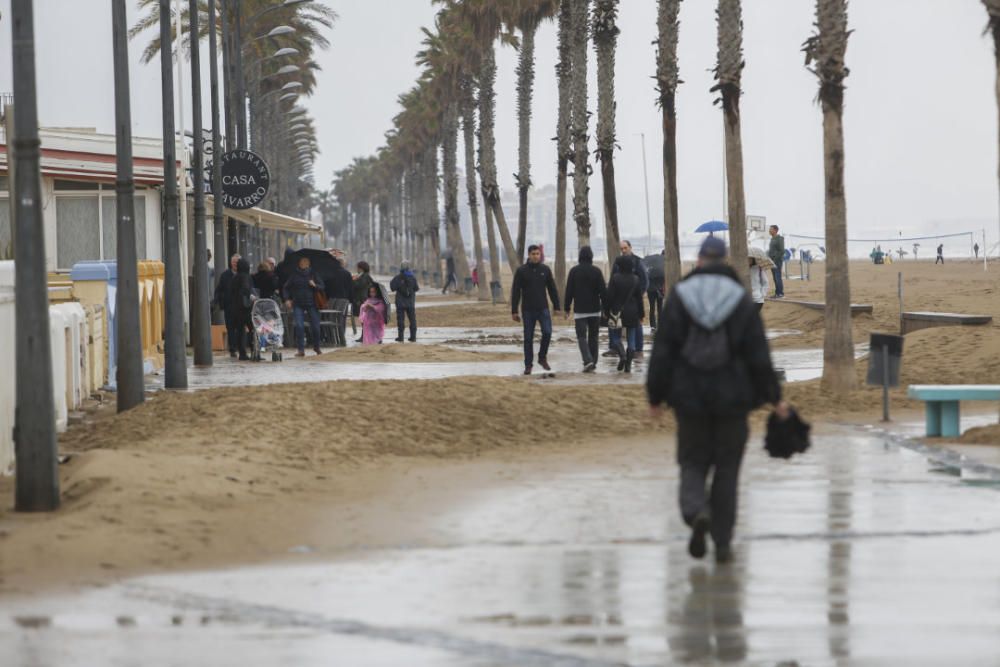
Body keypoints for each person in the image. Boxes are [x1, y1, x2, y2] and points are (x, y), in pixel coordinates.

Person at [647, 236, 785, 564]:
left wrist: (655, 395)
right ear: (723, 261)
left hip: (689, 398)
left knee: (693, 462)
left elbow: (663, 350)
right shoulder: (739, 299)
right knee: (727, 469)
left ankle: (696, 512)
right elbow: (757, 352)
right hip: (733, 399)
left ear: (699, 261)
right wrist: (773, 395)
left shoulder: (679, 296)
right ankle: (722, 542)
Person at [511, 244, 560, 375]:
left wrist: (556, 306)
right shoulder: (521, 271)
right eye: (533, 254)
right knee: (528, 338)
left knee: (548, 332)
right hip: (527, 310)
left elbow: (552, 289)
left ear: (540, 255)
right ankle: (528, 365)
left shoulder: (545, 269)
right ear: (529, 255)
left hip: (543, 308)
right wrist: (514, 311)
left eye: (537, 254)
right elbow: (515, 291)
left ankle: (542, 357)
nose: (535, 256)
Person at [563, 245, 607, 373]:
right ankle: (593, 360)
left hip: (580, 310)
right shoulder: (597, 271)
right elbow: (603, 292)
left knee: (581, 336)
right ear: (591, 257)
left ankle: (588, 361)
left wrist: (567, 308)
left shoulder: (574, 271)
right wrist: (606, 309)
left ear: (580, 256)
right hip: (595, 309)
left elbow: (569, 291)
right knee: (594, 336)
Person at [605, 240, 649, 358]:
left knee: (636, 325)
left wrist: (640, 293)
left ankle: (638, 350)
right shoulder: (617, 262)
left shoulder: (638, 262)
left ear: (630, 247)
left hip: (633, 300)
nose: (623, 251)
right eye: (621, 249)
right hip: (618, 301)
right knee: (614, 324)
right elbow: (612, 280)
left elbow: (645, 281)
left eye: (625, 248)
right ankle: (614, 348)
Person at [283, 256, 325, 357]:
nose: (303, 264)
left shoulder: (313, 274)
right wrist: (287, 299)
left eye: (306, 262)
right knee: (299, 326)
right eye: (302, 262)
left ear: (309, 264)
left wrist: (315, 285)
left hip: (312, 304)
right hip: (298, 304)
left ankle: (317, 346)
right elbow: (286, 287)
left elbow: (322, 286)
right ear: (299, 263)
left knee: (315, 327)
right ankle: (301, 350)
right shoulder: (294, 275)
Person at [213, 253, 240, 358]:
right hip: (229, 306)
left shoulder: (244, 274)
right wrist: (217, 301)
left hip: (241, 307)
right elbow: (219, 289)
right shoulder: (225, 275)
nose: (235, 264)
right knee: (230, 328)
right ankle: (233, 349)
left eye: (237, 262)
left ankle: (240, 347)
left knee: (240, 328)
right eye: (233, 262)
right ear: (231, 263)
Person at [227, 258, 254, 360]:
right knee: (252, 329)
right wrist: (251, 297)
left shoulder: (235, 277)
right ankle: (254, 349)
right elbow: (246, 289)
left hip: (235, 309)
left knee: (240, 330)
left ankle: (242, 353)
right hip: (245, 308)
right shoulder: (246, 277)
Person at [390, 261, 420, 342]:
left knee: (400, 319)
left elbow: (392, 287)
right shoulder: (413, 278)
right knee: (412, 319)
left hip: (400, 302)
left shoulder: (397, 277)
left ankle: (401, 337)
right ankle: (413, 337)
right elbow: (416, 288)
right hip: (410, 303)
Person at [648, 253, 666, 332]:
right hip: (659, 290)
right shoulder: (662, 269)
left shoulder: (649, 270)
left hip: (651, 290)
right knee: (660, 308)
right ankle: (660, 325)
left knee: (652, 308)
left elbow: (647, 280)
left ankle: (653, 326)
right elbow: (663, 281)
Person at [768, 225, 785, 297]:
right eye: (769, 229)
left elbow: (782, 251)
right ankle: (777, 293)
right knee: (775, 277)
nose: (769, 230)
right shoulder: (772, 239)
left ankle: (780, 293)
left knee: (778, 277)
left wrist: (775, 259)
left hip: (777, 261)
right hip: (771, 261)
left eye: (771, 229)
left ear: (775, 230)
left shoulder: (779, 239)